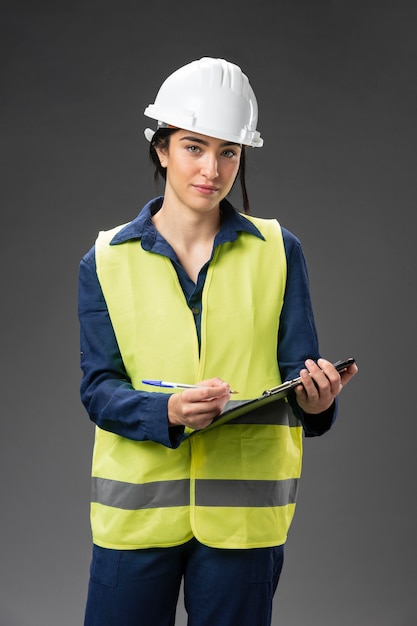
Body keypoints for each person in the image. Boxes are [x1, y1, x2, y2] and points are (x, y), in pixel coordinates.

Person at [78, 57, 358, 626]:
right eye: (193, 147)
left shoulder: (280, 251)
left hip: (243, 523)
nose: (212, 168)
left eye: (229, 151)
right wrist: (168, 413)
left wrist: (317, 400)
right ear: (161, 148)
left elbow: (297, 377)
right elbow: (99, 389)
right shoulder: (105, 260)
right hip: (137, 514)